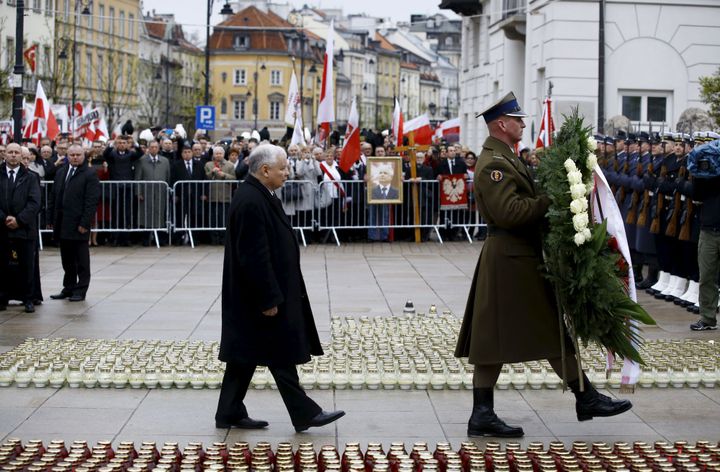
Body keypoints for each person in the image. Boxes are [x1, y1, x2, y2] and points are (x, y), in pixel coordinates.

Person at [455, 91, 632, 438]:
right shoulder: (494, 164)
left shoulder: (506, 157)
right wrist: (551, 201)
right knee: (509, 335)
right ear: (502, 124)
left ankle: (578, 396)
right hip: (510, 258)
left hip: (516, 257)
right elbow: (510, 213)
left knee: (522, 333)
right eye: (518, 119)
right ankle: (581, 397)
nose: (523, 123)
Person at [216, 143, 344, 432]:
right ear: (265, 170)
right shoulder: (251, 200)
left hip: (258, 295)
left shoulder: (261, 193)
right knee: (280, 354)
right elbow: (253, 256)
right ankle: (305, 413)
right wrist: (268, 297)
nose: (287, 173)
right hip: (258, 297)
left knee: (244, 356)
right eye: (283, 168)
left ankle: (228, 411)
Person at [47, 144, 100, 302]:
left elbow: (91, 201)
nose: (75, 157)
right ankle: (68, 287)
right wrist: (50, 219)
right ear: (67, 156)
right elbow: (54, 197)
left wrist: (85, 222)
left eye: (78, 154)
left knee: (81, 260)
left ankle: (81, 289)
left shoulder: (90, 174)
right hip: (62, 222)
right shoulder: (61, 172)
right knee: (67, 259)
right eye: (72, 155)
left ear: (83, 156)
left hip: (79, 223)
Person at [0, 143, 42, 313]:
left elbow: (35, 203)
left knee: (27, 266)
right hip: (2, 228)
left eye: (16, 152)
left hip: (24, 229)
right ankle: (2, 298)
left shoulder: (31, 176)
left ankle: (28, 299)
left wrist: (19, 220)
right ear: (5, 155)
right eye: (10, 152)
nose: (13, 155)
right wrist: (4, 218)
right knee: (2, 265)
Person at [134, 140, 171, 246]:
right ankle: (146, 239)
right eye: (152, 147)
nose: (154, 149)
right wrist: (138, 192)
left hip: (160, 192)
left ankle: (160, 239)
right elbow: (138, 178)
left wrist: (167, 190)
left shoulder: (165, 161)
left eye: (156, 147)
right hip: (146, 193)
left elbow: (168, 177)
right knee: (146, 216)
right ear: (148, 148)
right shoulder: (142, 160)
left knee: (160, 215)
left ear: (158, 148)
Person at [171, 142, 206, 245]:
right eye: (185, 152)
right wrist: (175, 195)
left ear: (192, 153)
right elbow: (173, 180)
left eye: (189, 152)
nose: (187, 154)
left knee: (195, 217)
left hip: (195, 196)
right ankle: (178, 238)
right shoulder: (176, 165)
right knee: (180, 217)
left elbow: (204, 179)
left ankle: (194, 239)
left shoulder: (199, 165)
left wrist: (204, 193)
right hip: (181, 196)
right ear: (182, 154)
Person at [205, 146, 236, 245]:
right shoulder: (208, 164)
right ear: (213, 155)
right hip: (212, 196)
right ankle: (214, 238)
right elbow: (205, 177)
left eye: (220, 153)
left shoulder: (230, 165)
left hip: (225, 197)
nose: (218, 155)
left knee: (224, 218)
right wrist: (212, 172)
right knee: (213, 218)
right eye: (216, 153)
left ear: (224, 154)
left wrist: (224, 175)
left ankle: (224, 238)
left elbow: (234, 178)